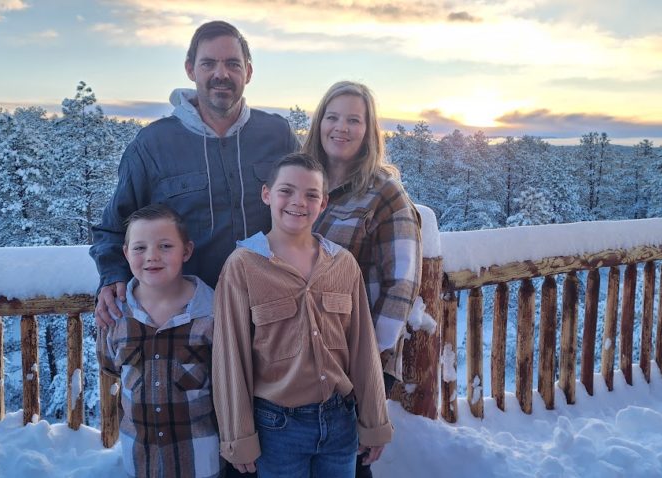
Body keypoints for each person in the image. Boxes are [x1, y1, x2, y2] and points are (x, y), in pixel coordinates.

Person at [90, 20, 299, 327]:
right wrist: (112, 275)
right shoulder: (153, 145)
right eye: (208, 63)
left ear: (249, 72)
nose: (221, 74)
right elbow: (114, 227)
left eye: (232, 64)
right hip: (185, 324)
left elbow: (314, 205)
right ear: (190, 69)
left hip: (268, 317)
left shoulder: (277, 136)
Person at [212, 153, 393, 477]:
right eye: (287, 191)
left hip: (341, 424)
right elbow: (230, 357)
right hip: (277, 429)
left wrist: (374, 420)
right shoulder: (243, 266)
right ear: (267, 194)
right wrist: (238, 436)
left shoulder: (343, 264)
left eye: (311, 195)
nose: (298, 202)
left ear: (323, 203)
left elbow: (363, 347)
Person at [304, 81, 423, 477]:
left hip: (355, 366)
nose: (341, 127)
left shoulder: (384, 194)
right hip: (298, 363)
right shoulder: (303, 183)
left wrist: (369, 368)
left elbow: (401, 286)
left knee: (349, 465)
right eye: (333, 117)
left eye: (354, 120)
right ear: (319, 123)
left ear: (369, 130)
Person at [98, 204, 222, 478]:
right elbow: (110, 365)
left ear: (186, 251)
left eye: (165, 246)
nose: (152, 256)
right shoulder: (116, 316)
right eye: (140, 248)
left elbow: (228, 386)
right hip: (140, 461)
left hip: (200, 462)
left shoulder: (212, 315)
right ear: (125, 253)